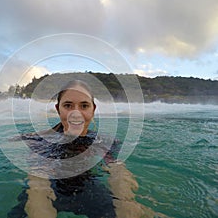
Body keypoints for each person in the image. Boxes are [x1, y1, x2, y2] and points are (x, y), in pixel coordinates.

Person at [8, 80, 161, 218]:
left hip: (87, 189)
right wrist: (40, 205)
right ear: (58, 109)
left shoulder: (105, 141)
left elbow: (117, 170)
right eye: (68, 106)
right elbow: (37, 175)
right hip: (46, 187)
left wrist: (125, 201)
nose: (76, 113)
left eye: (84, 106)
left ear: (93, 109)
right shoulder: (39, 139)